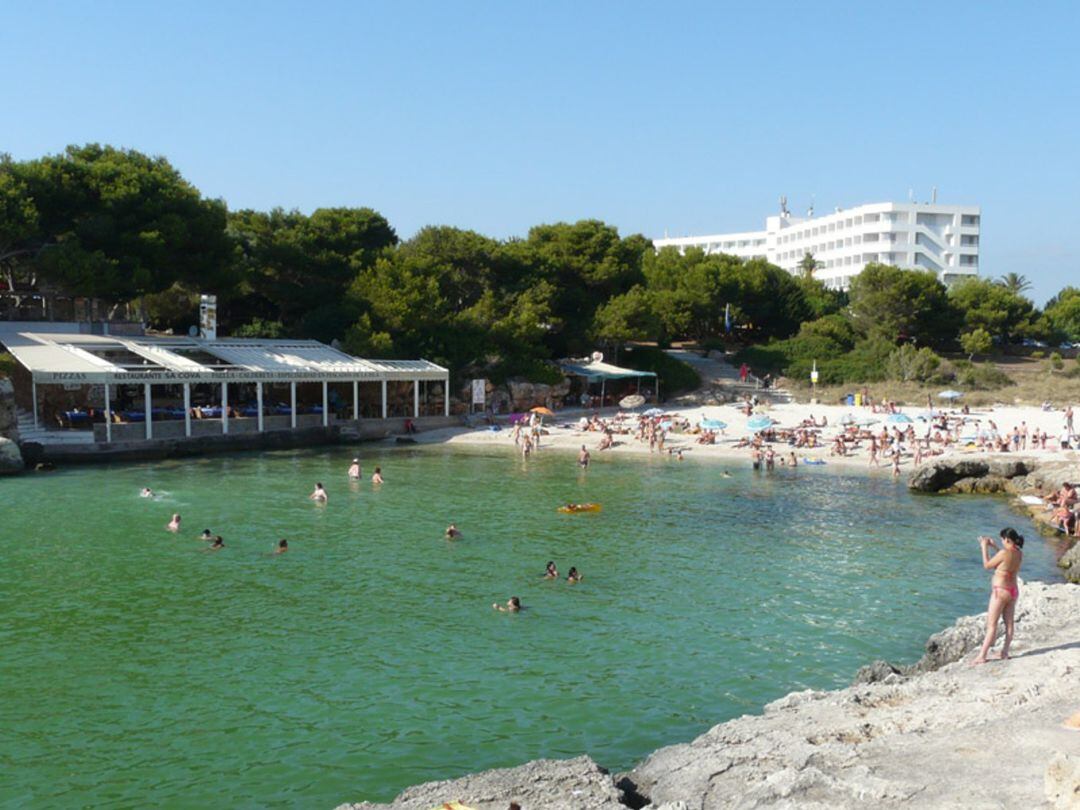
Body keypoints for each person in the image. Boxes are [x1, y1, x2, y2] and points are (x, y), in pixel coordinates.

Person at [972, 528, 1024, 665]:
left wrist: (984, 547)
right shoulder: (1019, 553)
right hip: (1013, 591)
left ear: (1007, 539)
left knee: (992, 625)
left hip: (1000, 591)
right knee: (1009, 623)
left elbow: (987, 565)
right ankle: (1005, 652)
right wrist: (994, 546)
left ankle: (982, 655)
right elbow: (1004, 560)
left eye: (1002, 540)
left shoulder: (1003, 553)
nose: (1001, 542)